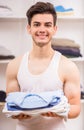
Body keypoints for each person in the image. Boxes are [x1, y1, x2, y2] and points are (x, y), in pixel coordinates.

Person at [6, 2, 81, 130]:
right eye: (36, 24)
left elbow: (75, 107)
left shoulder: (68, 66)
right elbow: (11, 105)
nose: (42, 29)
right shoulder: (14, 65)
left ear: (54, 29)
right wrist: (18, 114)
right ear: (29, 28)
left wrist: (58, 111)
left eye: (47, 25)